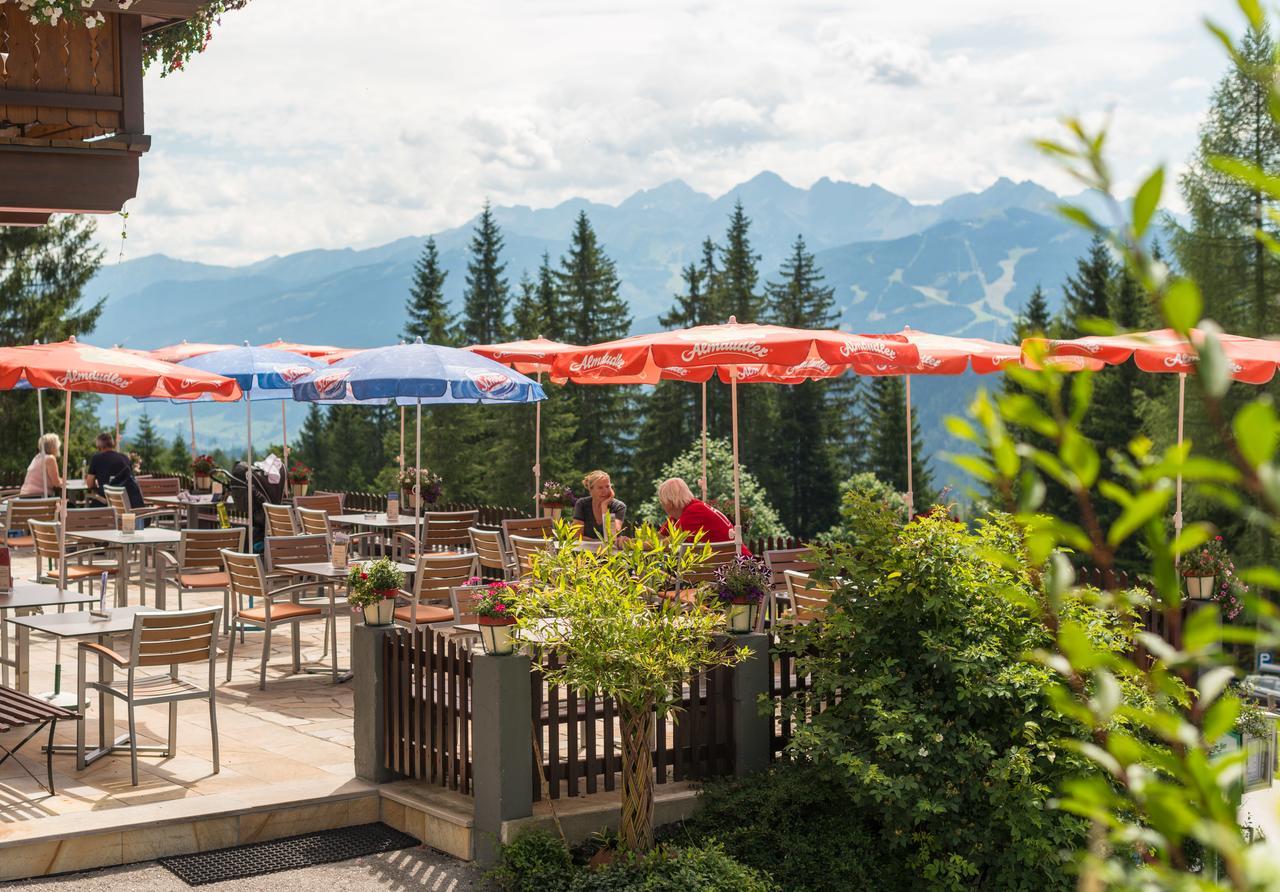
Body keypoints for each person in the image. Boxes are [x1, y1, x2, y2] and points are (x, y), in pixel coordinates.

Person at [656, 477, 748, 552]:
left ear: (669, 503)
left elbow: (666, 545)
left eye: (661, 501)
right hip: (730, 564)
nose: (661, 504)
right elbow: (659, 537)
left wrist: (641, 546)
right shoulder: (688, 509)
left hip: (739, 568)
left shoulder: (692, 513)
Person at [85, 432, 143, 508]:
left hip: (106, 502)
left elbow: (90, 484)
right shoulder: (125, 458)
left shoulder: (97, 458)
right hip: (127, 502)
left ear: (99, 447)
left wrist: (97, 487)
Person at [572, 470, 626, 540]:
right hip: (584, 549)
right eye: (600, 488)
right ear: (591, 489)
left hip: (611, 550)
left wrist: (604, 506)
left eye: (607, 486)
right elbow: (577, 535)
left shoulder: (619, 506)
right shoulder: (582, 504)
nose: (605, 491)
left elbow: (612, 535)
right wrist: (597, 543)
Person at [18, 433, 63, 498]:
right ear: (53, 446)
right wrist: (63, 481)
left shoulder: (37, 458)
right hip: (39, 498)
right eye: (57, 445)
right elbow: (56, 483)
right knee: (68, 506)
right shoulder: (50, 459)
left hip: (24, 498)